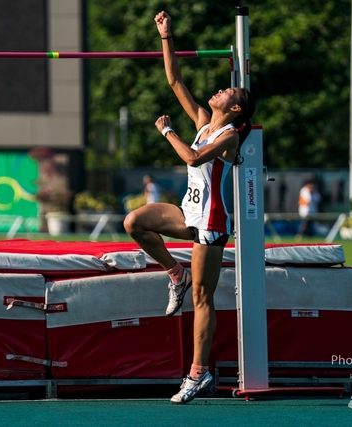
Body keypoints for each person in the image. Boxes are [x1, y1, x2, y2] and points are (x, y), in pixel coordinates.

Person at [123, 11, 256, 404]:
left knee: (203, 299)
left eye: (228, 92)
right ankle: (174, 273)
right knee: (136, 222)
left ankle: (198, 373)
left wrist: (167, 132)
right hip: (188, 213)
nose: (219, 91)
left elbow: (194, 159)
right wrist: (166, 36)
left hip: (210, 224)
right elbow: (174, 80)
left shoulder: (230, 136)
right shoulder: (203, 120)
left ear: (235, 109)